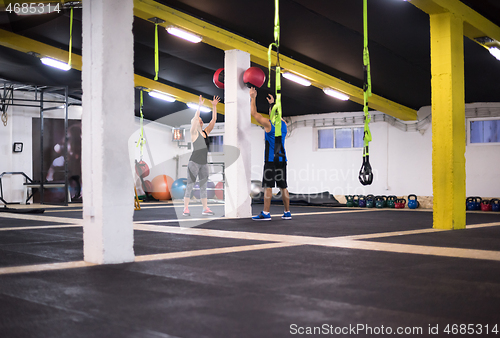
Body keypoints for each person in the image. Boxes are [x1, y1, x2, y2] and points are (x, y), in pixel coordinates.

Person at [249, 87, 291, 221]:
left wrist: (253, 97)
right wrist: (272, 104)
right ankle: (287, 212)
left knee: (268, 186)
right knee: (283, 186)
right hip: (282, 158)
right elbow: (276, 114)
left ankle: (266, 213)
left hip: (270, 160)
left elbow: (254, 113)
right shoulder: (284, 124)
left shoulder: (268, 124)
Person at [183, 94, 220, 216]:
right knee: (190, 185)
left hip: (204, 163)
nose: (201, 120)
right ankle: (186, 209)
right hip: (193, 162)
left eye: (201, 119)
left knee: (204, 186)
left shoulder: (206, 132)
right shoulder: (193, 132)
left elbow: (213, 120)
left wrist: (214, 106)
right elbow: (195, 117)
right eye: (199, 119)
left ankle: (205, 209)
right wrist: (199, 106)